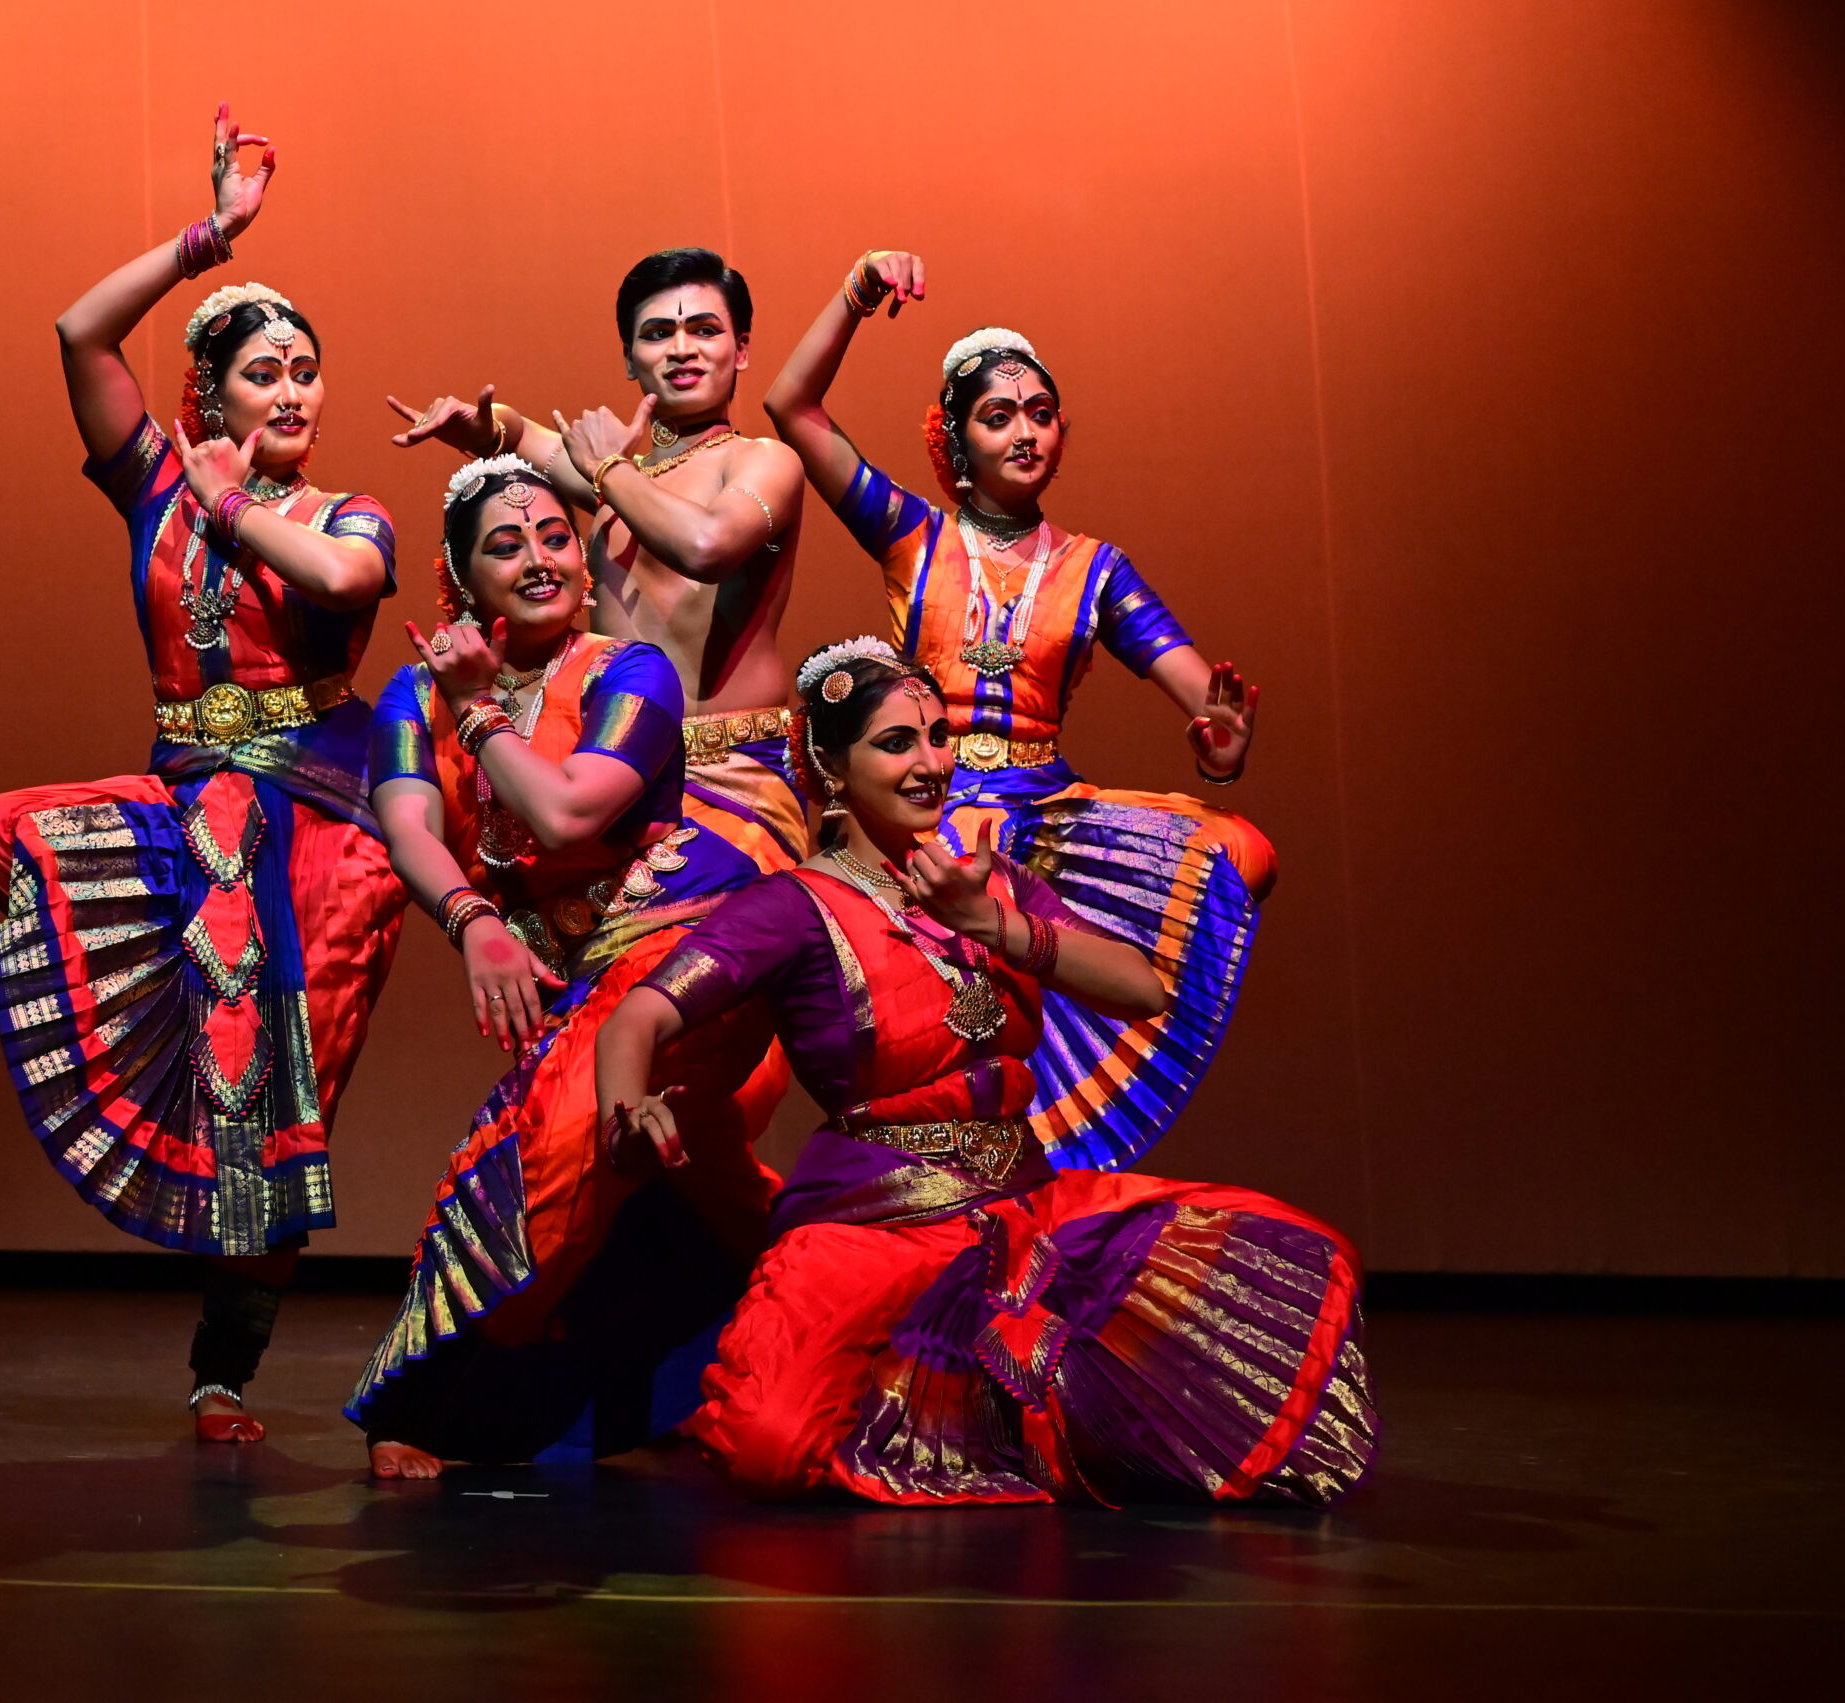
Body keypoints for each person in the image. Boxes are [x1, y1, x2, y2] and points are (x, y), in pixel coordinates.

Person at [594, 644, 1374, 1507]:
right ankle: (934, 1406)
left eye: (939, 736)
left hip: (1021, 1209)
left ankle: (958, 1413)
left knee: (1276, 1263)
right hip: (873, 1228)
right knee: (768, 1441)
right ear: (831, 764)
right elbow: (639, 1016)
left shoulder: (989, 880)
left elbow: (1141, 987)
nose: (931, 762)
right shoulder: (791, 907)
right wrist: (625, 1113)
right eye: (897, 743)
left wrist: (996, 925)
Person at [0, 106, 404, 1444]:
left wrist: (230, 503)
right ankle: (157, 1000)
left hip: (323, 831)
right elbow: (77, 334)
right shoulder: (155, 482)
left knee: (281, 1103)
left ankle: (223, 1371)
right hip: (189, 805)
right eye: (264, 373)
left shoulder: (340, 510)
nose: (294, 393)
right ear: (210, 396)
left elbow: (347, 584)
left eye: (307, 372)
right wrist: (210, 238)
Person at [762, 252, 1273, 1173]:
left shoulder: (1095, 569)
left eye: (1040, 413)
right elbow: (791, 407)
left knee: (1241, 851)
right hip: (929, 804)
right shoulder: (914, 537)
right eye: (997, 416)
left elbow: (1206, 700)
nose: (1025, 431)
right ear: (956, 444)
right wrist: (858, 291)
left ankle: (1045, 1156)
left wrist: (1223, 750)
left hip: (1045, 814)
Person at [348, 455, 790, 1481]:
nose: (539, 558)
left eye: (555, 536)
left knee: (549, 1150)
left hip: (677, 960)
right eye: (506, 545)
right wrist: (470, 918)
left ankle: (437, 1404)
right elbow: (408, 825)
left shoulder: (631, 673)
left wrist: (478, 711)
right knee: (710, 1190)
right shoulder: (411, 693)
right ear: (460, 581)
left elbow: (567, 813)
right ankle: (810, 1354)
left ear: (586, 567)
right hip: (569, 980)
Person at [388, 248, 810, 881]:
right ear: (629, 359)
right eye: (658, 333)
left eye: (704, 330)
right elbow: (522, 437)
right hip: (611, 774)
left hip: (733, 783)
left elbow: (707, 546)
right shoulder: (622, 481)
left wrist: (607, 469)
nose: (682, 349)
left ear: (741, 349)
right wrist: (485, 429)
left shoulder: (761, 461)